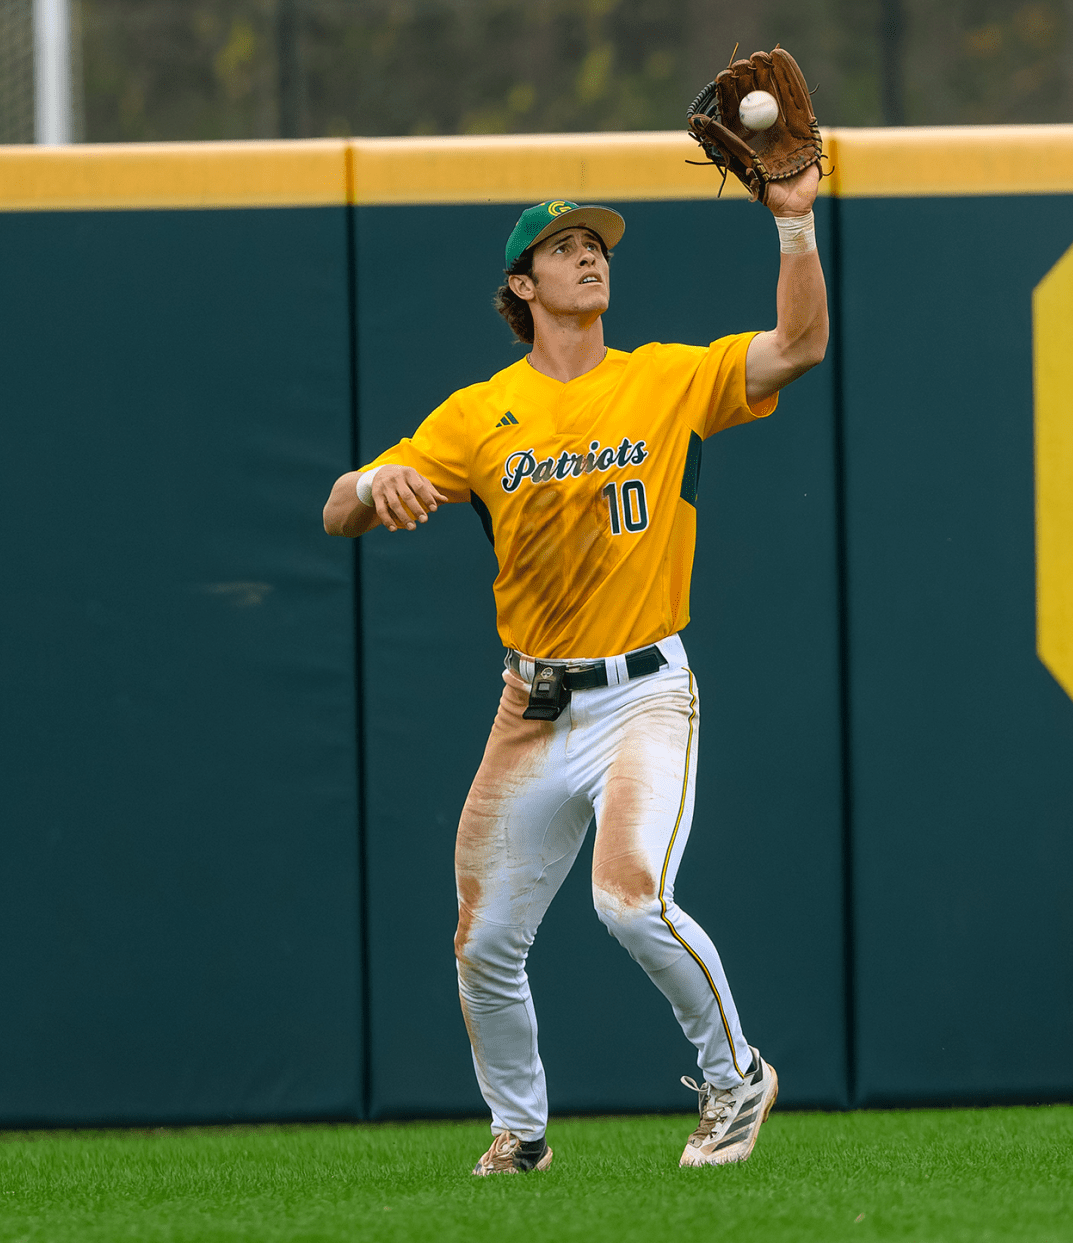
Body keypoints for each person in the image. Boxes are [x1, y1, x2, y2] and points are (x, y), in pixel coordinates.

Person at [321, 166, 827, 1174]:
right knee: (483, 940)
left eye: (596, 245)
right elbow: (338, 508)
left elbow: (799, 346)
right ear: (521, 287)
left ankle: (736, 1079)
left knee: (628, 899)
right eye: (563, 248)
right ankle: (521, 1130)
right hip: (533, 707)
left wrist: (797, 225)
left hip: (643, 694)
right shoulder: (479, 414)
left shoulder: (662, 379)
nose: (589, 255)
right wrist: (378, 480)